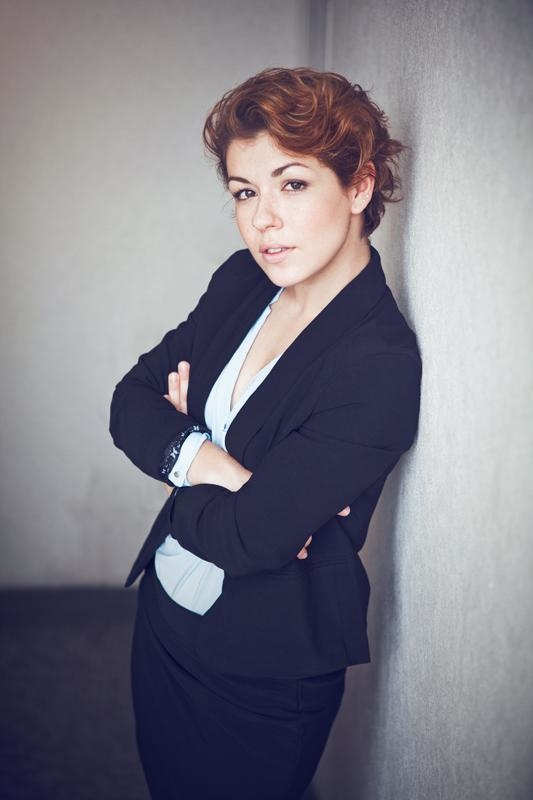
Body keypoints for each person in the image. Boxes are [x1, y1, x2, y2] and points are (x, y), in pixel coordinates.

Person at [109, 66, 422, 800]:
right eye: (245, 193)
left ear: (358, 186)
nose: (262, 222)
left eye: (292, 184)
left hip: (261, 668)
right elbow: (130, 402)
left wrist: (180, 446)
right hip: (163, 609)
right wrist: (220, 465)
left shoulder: (377, 363)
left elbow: (250, 539)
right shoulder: (242, 281)